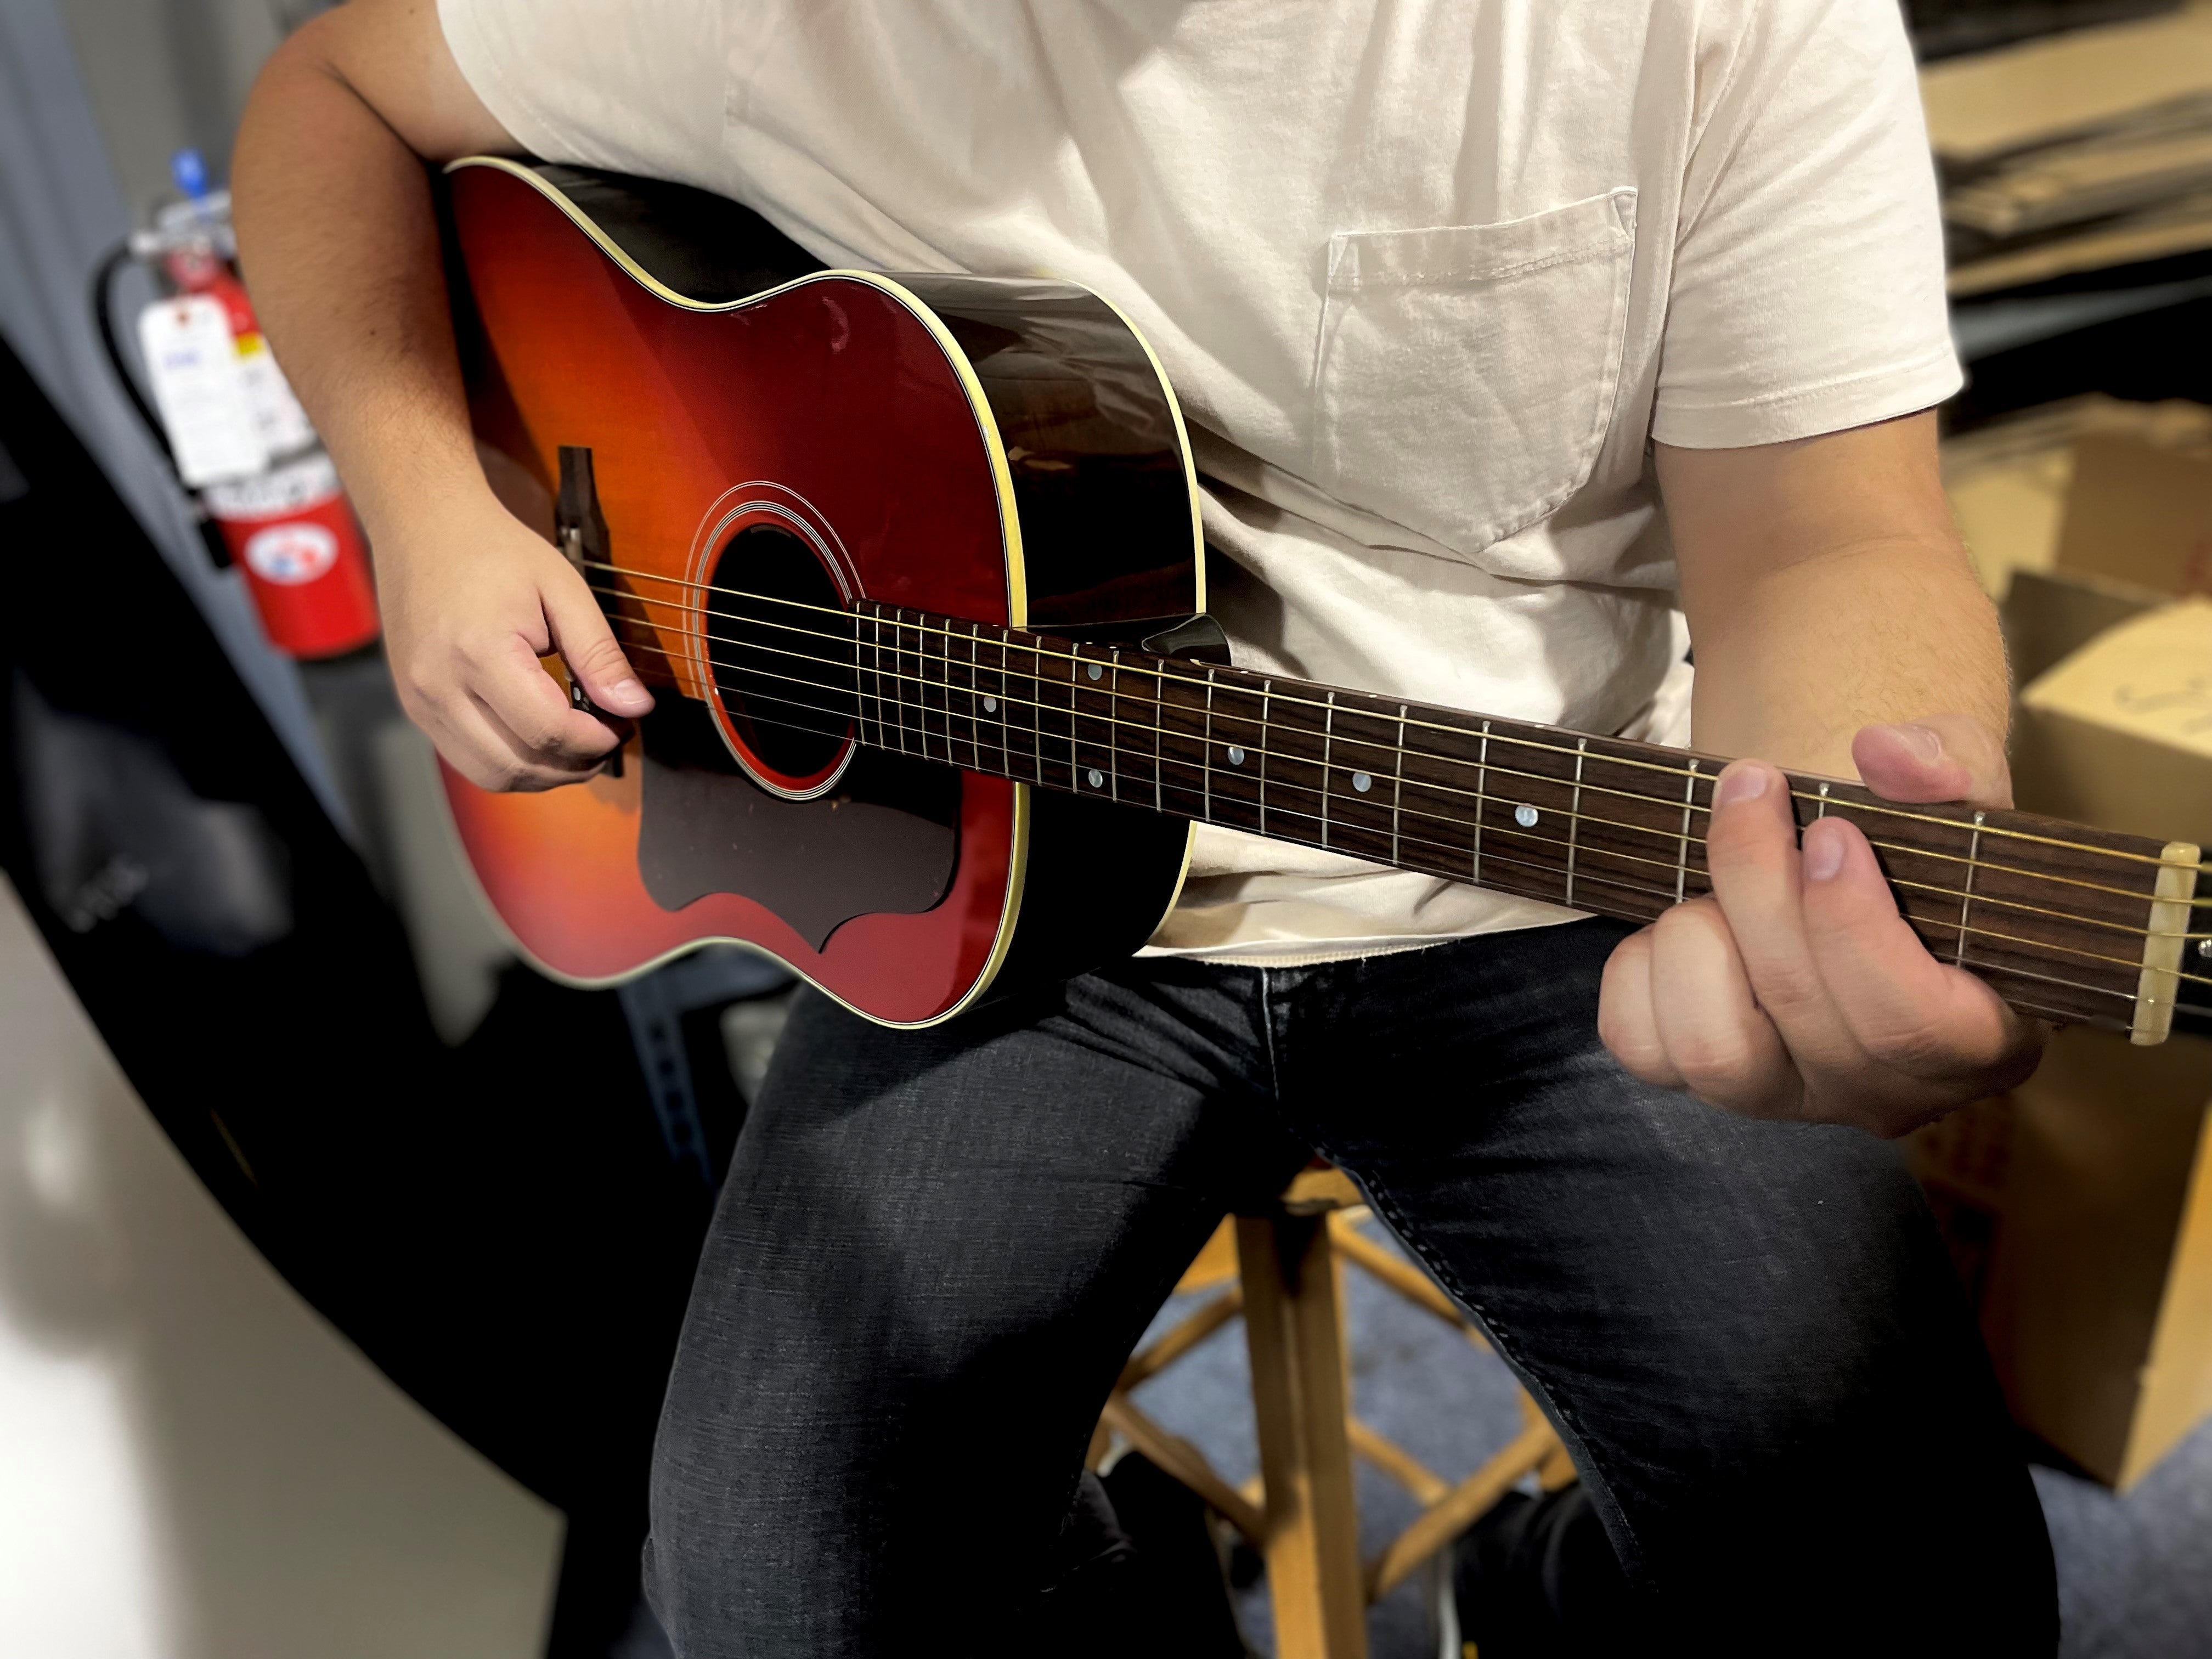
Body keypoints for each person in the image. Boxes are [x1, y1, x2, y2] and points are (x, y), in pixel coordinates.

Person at [233, 2, 2057, 1651]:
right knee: (772, 1597)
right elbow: (329, 90)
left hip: (1554, 877)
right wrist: (422, 503)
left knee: (1916, 1599)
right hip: (998, 892)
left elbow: (1827, 537)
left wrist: (1830, 862)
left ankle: (1533, 1597)